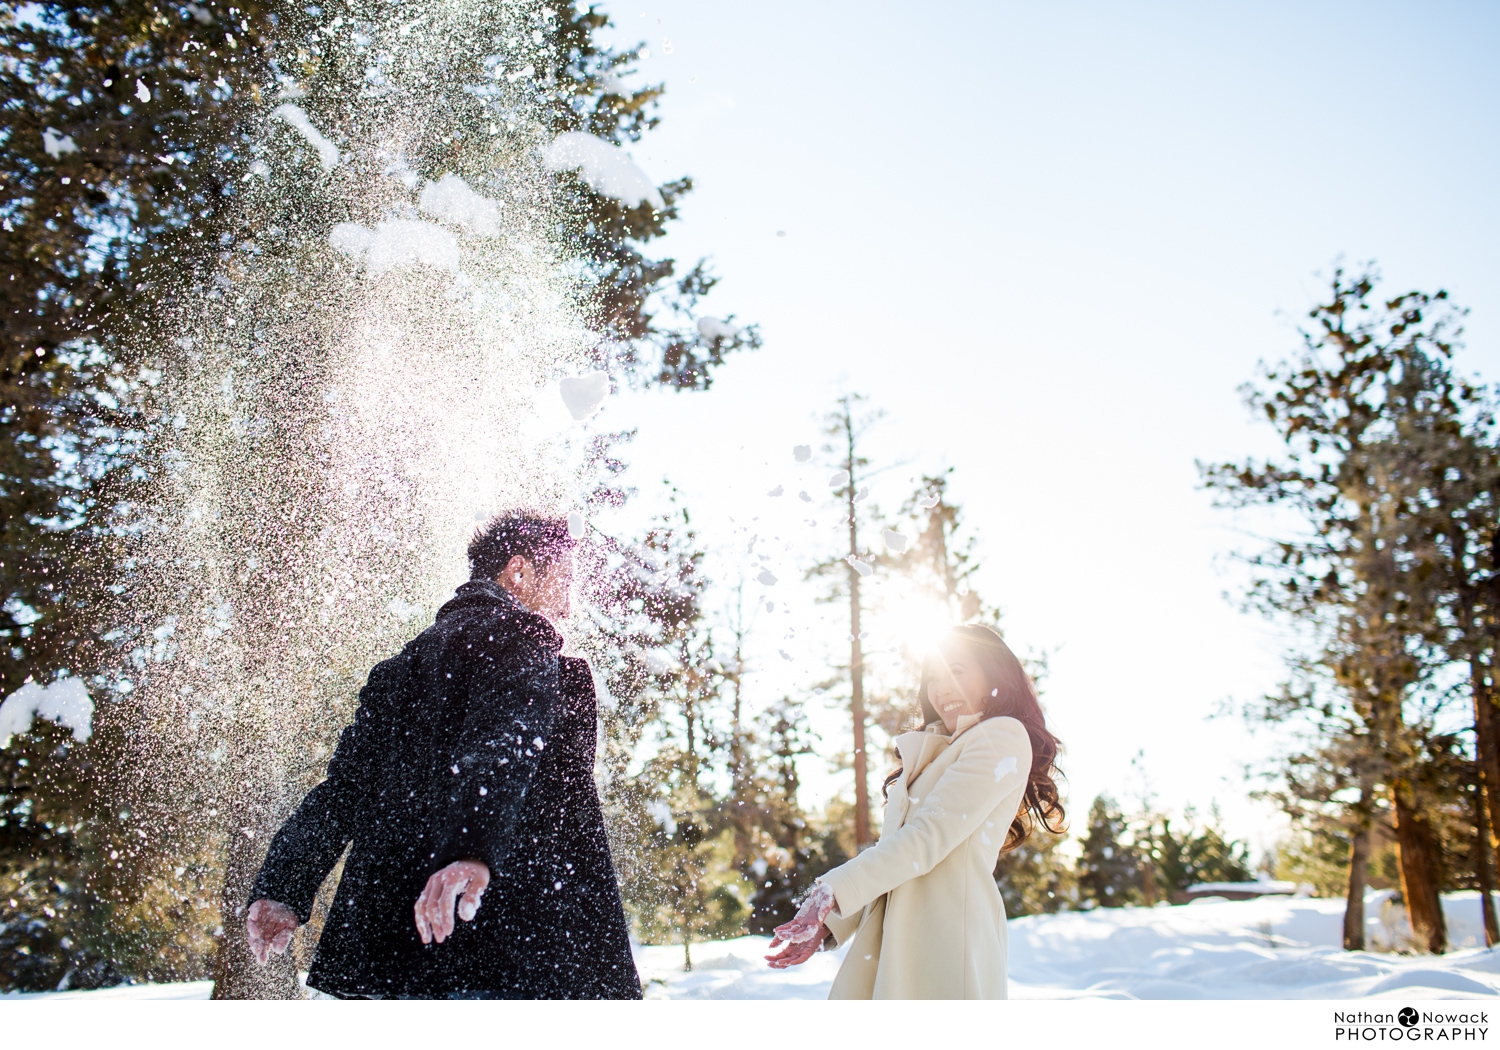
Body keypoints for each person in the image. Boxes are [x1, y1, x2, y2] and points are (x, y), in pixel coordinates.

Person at [244, 512, 641, 999]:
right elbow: (508, 745)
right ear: (519, 571)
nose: (572, 600)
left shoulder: (401, 669)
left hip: (396, 949)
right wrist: (469, 853)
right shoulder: (524, 643)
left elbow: (344, 789)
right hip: (508, 948)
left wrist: (284, 884)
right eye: (566, 577)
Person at [764, 623, 1064, 999]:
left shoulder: (1002, 736)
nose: (942, 689)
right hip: (897, 943)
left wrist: (833, 889)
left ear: (994, 674)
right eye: (934, 678)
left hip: (946, 944)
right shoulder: (935, 753)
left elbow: (925, 839)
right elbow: (897, 853)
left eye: (957, 671)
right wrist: (833, 923)